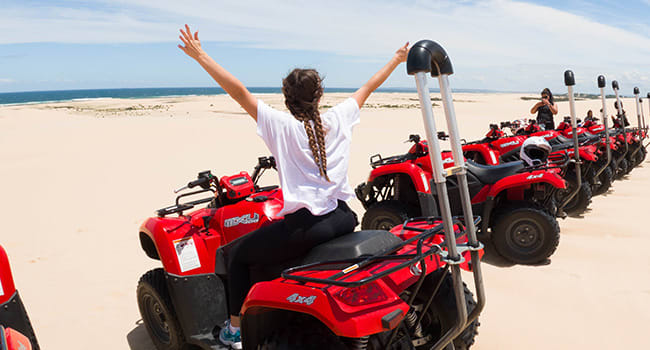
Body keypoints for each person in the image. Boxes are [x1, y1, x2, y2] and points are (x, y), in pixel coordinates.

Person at [177, 24, 409, 349]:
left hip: (309, 226)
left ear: (287, 98)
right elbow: (368, 86)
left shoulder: (281, 126)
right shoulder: (339, 118)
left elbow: (238, 91)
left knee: (239, 257)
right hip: (343, 216)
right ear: (320, 95)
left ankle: (234, 331)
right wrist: (397, 59)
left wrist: (200, 56)